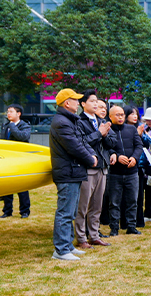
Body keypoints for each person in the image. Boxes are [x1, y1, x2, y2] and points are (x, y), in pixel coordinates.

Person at [48, 88, 97, 261]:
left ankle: (67, 245)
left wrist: (92, 155)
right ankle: (61, 250)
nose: (78, 103)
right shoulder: (62, 122)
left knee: (70, 212)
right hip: (68, 172)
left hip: (73, 171)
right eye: (75, 100)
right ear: (67, 103)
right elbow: (74, 146)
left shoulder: (69, 120)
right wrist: (90, 159)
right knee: (65, 212)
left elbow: (81, 141)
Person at [74, 91, 119, 249]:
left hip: (103, 167)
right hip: (87, 167)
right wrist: (99, 133)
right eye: (92, 101)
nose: (95, 104)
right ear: (83, 104)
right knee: (83, 205)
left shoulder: (102, 121)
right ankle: (81, 238)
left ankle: (94, 235)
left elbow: (112, 142)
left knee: (97, 205)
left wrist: (104, 135)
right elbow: (81, 142)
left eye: (97, 101)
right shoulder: (79, 122)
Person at [105, 105, 143, 236]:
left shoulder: (131, 129)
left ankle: (131, 226)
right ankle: (114, 227)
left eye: (122, 115)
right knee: (114, 202)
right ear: (110, 116)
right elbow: (105, 147)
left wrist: (135, 158)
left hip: (132, 172)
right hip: (115, 172)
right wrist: (116, 155)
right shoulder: (107, 130)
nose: (120, 117)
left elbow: (139, 145)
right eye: (117, 115)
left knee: (132, 200)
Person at [0, 104, 33, 219]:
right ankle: (7, 211)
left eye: (11, 111)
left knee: (22, 186)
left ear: (19, 114)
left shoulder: (25, 126)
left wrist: (12, 126)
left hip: (20, 160)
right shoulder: (5, 126)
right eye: (7, 111)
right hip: (7, 159)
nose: (8, 114)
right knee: (7, 185)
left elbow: (22, 137)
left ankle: (25, 211)